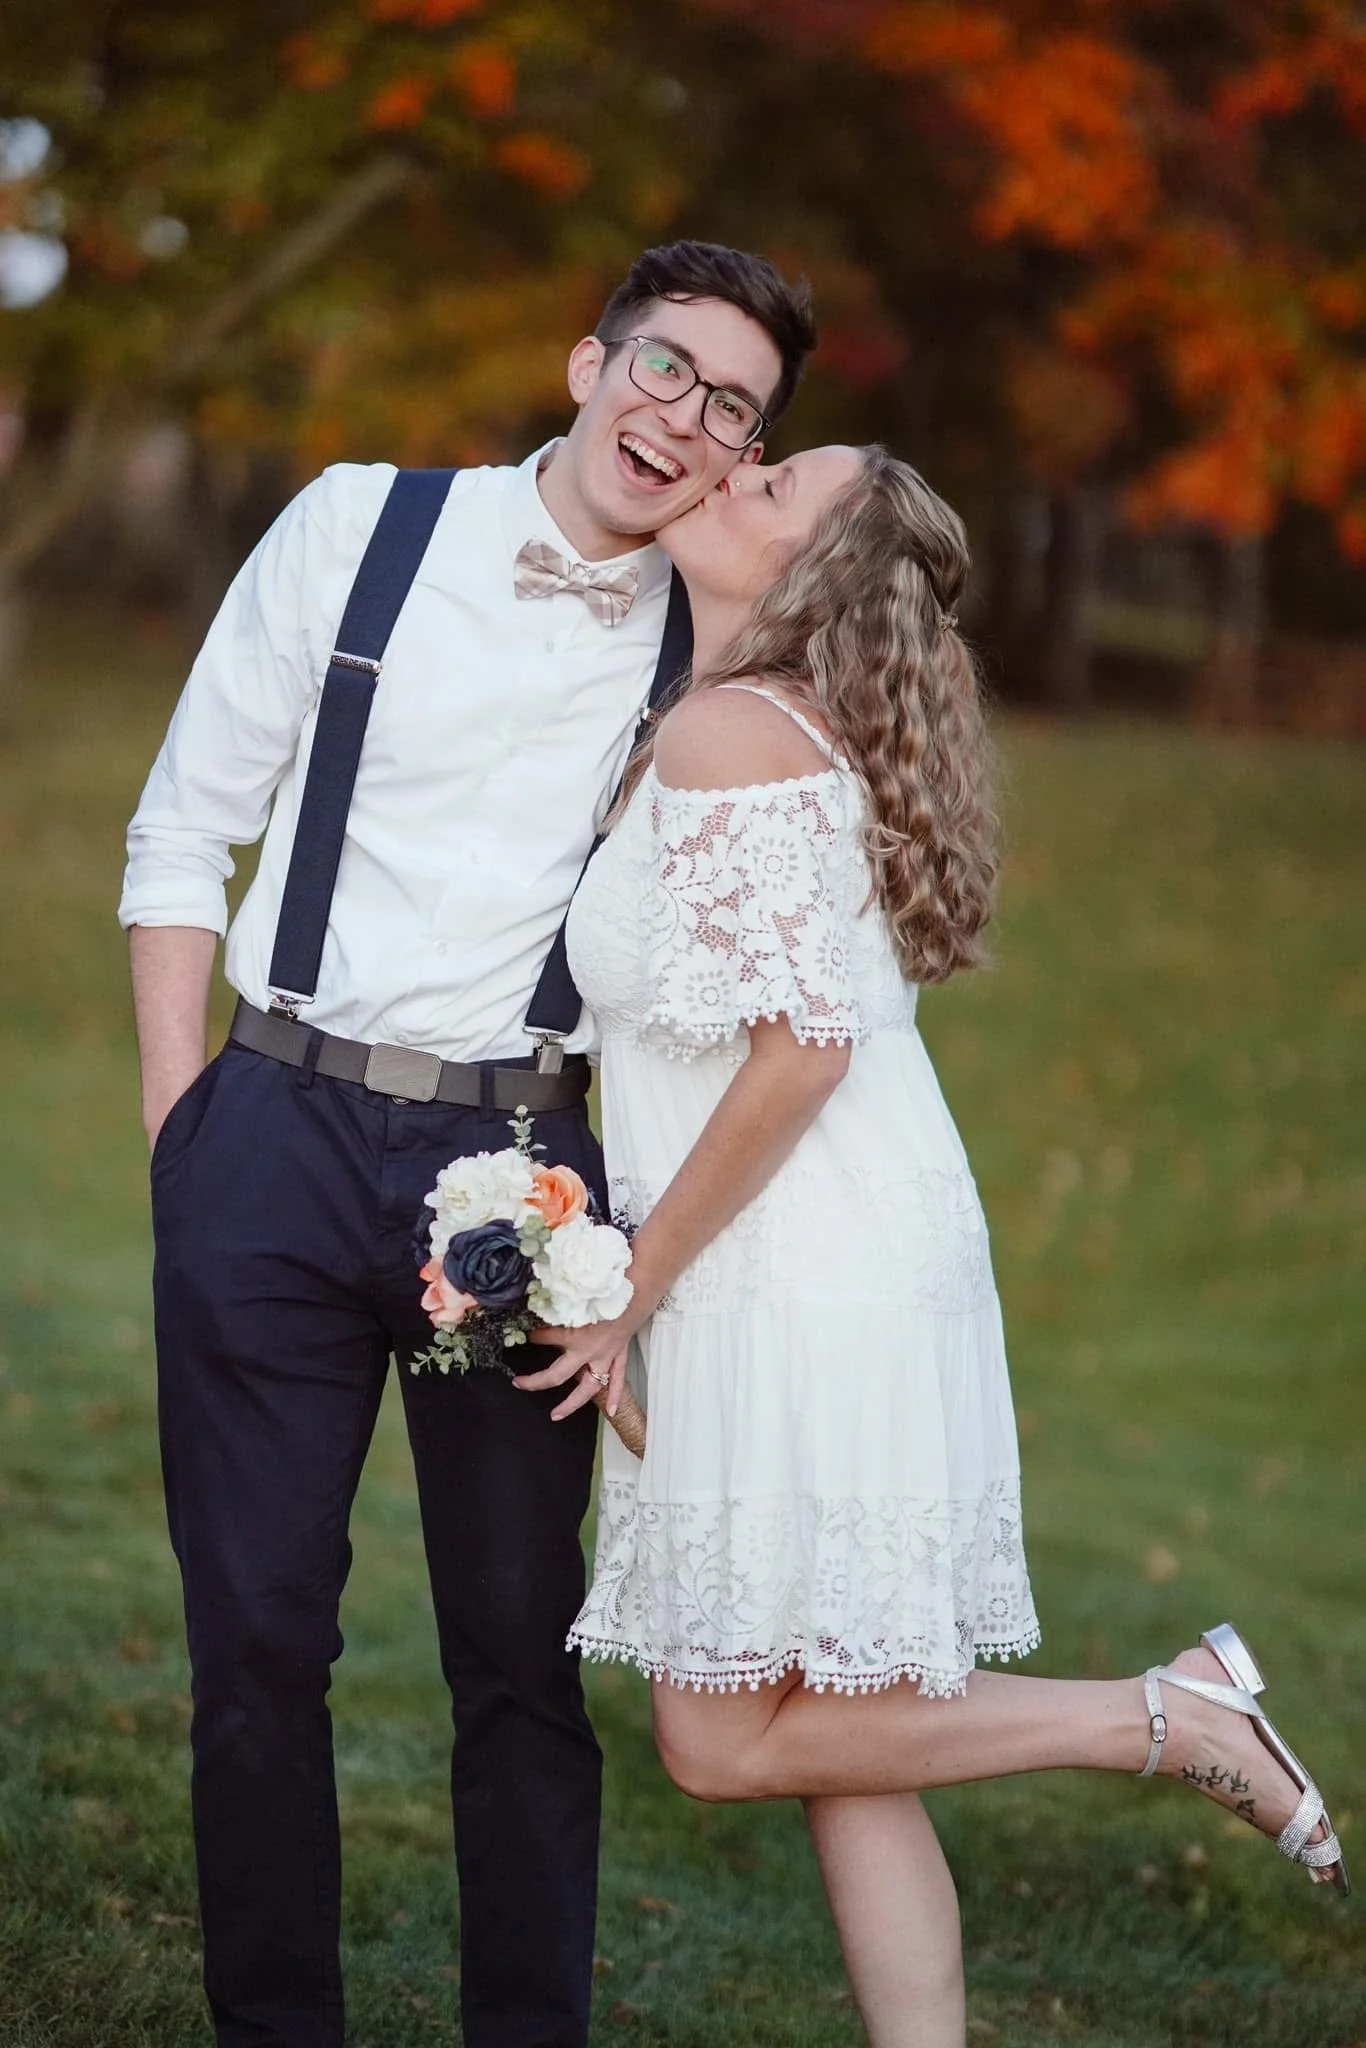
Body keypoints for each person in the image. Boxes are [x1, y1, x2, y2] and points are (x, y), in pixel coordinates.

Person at [514, 443, 1350, 2047]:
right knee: (845, 1728)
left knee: (718, 1738)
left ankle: (1162, 1717)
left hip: (789, 1266)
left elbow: (798, 1050)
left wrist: (633, 1286)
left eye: (770, 485)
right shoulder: (769, 727)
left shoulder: (728, 736)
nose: (730, 472)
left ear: (809, 579)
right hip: (830, 1247)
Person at [118, 239, 817, 2048]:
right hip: (266, 1133)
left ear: (742, 460)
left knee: (518, 1657)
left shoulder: (715, 645)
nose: (684, 417)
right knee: (259, 1646)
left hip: (523, 1179)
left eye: (732, 408)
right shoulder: (357, 522)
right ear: (588, 364)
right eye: (666, 368)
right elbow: (181, 831)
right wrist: (181, 1132)